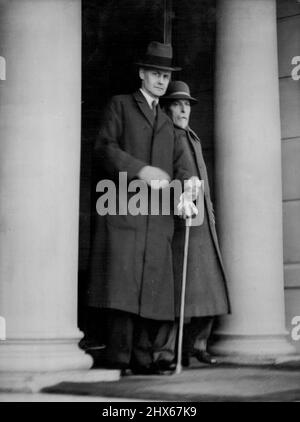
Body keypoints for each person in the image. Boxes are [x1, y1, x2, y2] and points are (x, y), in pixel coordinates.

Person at [86, 43, 198, 375]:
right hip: (124, 211)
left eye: (166, 75)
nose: (162, 81)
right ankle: (119, 358)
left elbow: (181, 167)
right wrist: (141, 170)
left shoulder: (166, 122)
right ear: (142, 74)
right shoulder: (120, 105)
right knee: (123, 284)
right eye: (156, 74)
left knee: (151, 286)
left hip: (156, 220)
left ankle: (143, 357)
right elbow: (104, 148)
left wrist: (188, 187)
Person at [162, 81, 231, 366]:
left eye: (187, 104)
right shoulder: (167, 137)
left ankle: (199, 343)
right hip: (183, 222)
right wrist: (179, 200)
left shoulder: (191, 136)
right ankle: (171, 350)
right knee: (183, 292)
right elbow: (166, 176)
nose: (183, 109)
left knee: (210, 287)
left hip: (203, 224)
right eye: (177, 104)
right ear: (167, 109)